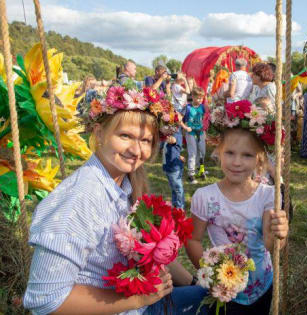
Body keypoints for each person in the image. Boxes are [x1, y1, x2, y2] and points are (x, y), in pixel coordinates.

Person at [23, 83, 207, 315]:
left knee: (209, 301)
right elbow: (47, 300)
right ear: (99, 133)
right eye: (125, 136)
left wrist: (195, 285)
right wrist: (136, 300)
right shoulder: (78, 201)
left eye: (146, 140)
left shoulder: (124, 185)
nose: (136, 150)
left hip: (140, 307)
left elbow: (151, 253)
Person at [186, 122, 289, 315]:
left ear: (260, 160)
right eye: (230, 153)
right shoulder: (205, 197)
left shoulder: (269, 195)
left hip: (262, 286)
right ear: (218, 152)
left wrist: (280, 234)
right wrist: (212, 276)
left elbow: (269, 244)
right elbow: (193, 239)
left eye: (247, 155)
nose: (237, 162)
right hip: (224, 291)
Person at [183, 87, 207, 184]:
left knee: (202, 152)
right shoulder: (188, 108)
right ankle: (191, 174)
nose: (200, 100)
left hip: (200, 132)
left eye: (201, 98)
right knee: (193, 153)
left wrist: (204, 127)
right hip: (191, 133)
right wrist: (185, 128)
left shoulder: (202, 107)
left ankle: (200, 169)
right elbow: (180, 119)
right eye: (198, 98)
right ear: (192, 97)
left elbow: (205, 118)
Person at [162, 127, 185, 209]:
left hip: (173, 168)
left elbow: (175, 142)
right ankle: (176, 205)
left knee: (178, 189)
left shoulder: (176, 133)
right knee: (174, 188)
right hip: (169, 166)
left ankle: (180, 208)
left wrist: (173, 140)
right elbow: (174, 149)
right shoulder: (169, 132)